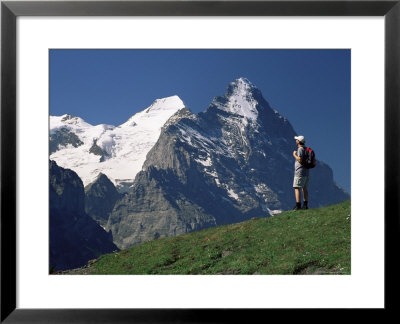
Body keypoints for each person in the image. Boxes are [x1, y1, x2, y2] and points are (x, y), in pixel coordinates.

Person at [292, 135, 309, 210]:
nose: (296, 141)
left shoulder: (300, 149)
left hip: (300, 171)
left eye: (296, 140)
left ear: (298, 141)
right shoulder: (306, 149)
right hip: (306, 171)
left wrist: (294, 154)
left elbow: (300, 159)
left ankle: (298, 205)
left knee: (296, 187)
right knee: (304, 188)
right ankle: (305, 205)